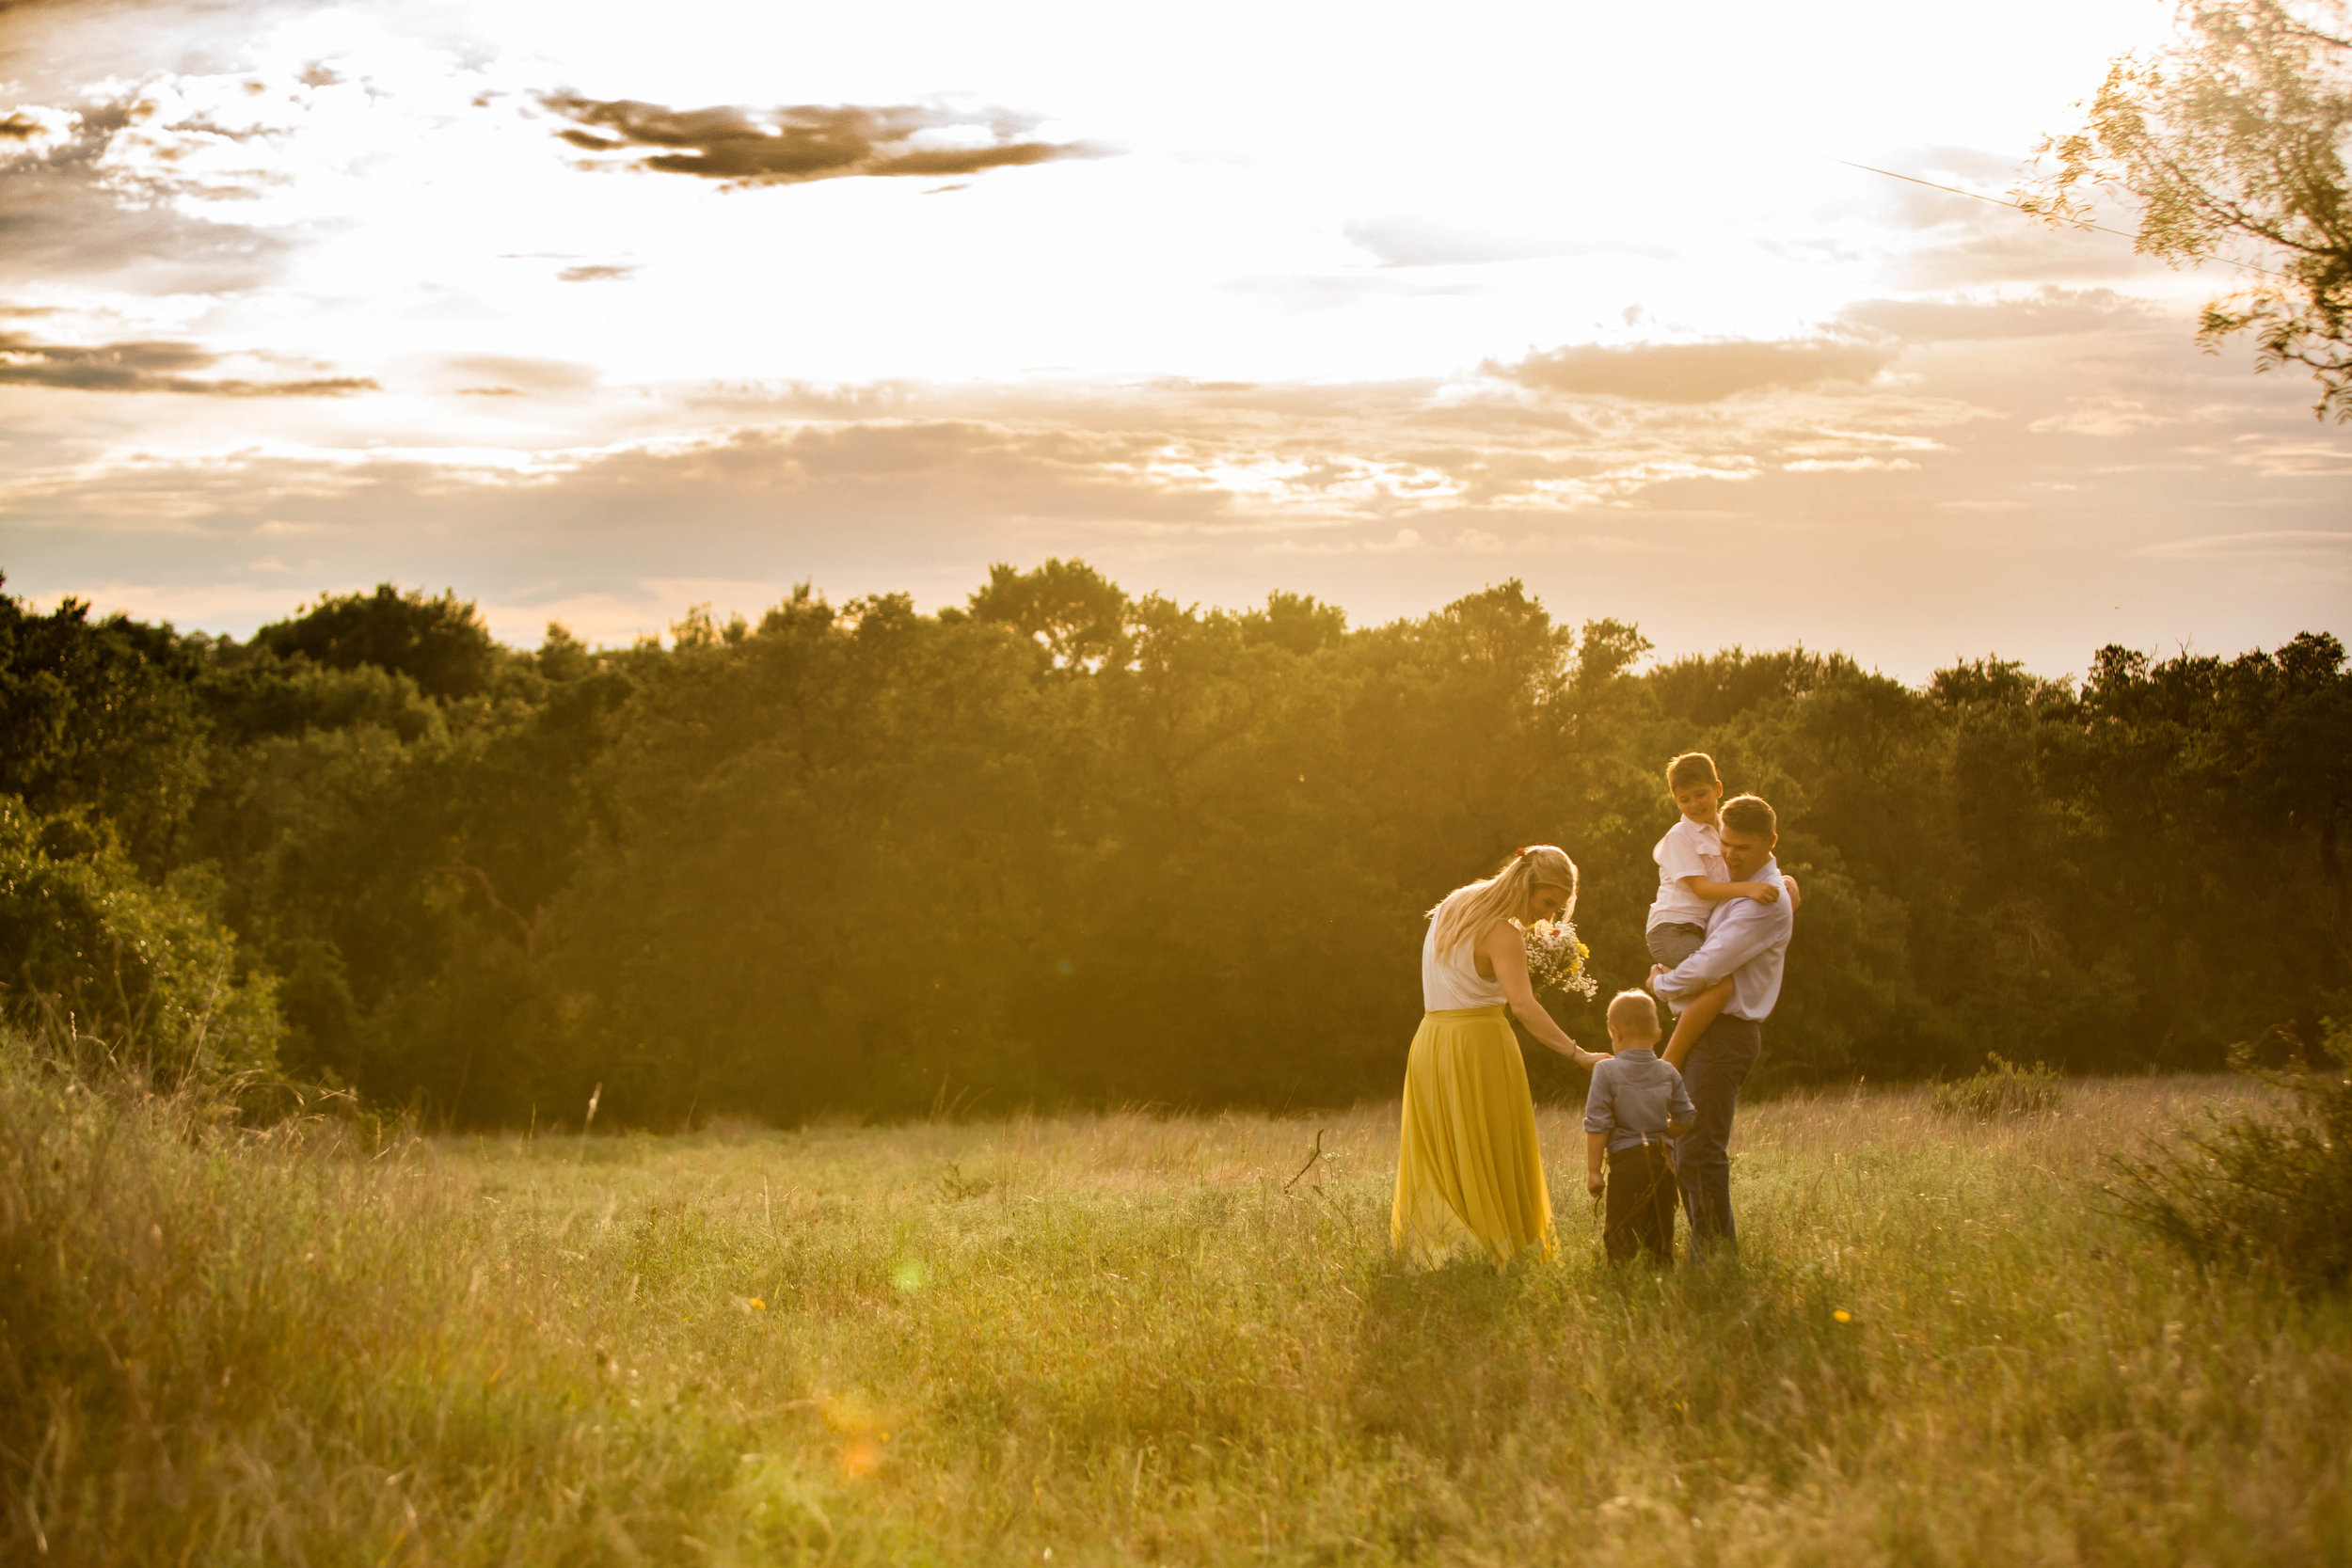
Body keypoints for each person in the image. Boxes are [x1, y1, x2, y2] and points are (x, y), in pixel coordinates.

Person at [1392, 845, 1609, 1268]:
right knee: (1489, 1144)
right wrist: (1578, 1054)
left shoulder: (1453, 905)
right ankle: (1494, 1244)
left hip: (1431, 1040)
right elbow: (1523, 1007)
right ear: (1526, 883)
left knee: (1447, 1149)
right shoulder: (1503, 932)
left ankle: (1449, 1246)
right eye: (1546, 903)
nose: (1546, 918)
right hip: (1480, 1046)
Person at [1646, 794, 1795, 1257]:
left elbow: (1710, 967)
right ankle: (1700, 1252)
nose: (1729, 855)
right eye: (1725, 844)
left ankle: (1714, 1260)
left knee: (1699, 1148)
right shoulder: (1744, 886)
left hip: (1725, 1035)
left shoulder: (1762, 904)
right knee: (1679, 1147)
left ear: (1770, 842)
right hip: (1705, 1031)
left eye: (1742, 848)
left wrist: (1661, 985)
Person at [1645, 752, 1795, 1069]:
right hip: (1672, 927)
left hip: (1698, 926)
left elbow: (1750, 865)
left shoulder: (1724, 828)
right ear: (1675, 800)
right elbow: (1702, 888)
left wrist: (1785, 884)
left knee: (1711, 981)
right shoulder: (1679, 837)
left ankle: (1675, 1051)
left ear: (1718, 788)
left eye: (1700, 794)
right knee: (1721, 984)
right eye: (1684, 799)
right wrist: (1749, 889)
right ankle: (1670, 1060)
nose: (1695, 804)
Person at [1583, 990, 1694, 1268]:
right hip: (1662, 1165)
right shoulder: (1668, 1071)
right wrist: (1665, 1133)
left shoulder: (1606, 1071)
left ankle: (1622, 1281)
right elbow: (1686, 1117)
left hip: (1626, 1164)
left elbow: (1598, 1124)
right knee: (1660, 1231)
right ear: (1657, 1035)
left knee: (1621, 1230)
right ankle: (1661, 1276)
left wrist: (1594, 1172)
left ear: (1615, 1032)